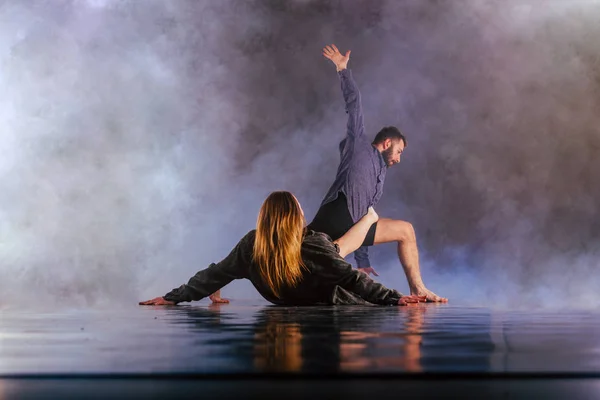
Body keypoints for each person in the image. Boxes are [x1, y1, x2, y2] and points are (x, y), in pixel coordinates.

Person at [307, 44, 447, 302]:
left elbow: (367, 216)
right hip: (334, 217)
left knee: (406, 231)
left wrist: (362, 259)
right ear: (386, 143)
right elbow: (354, 105)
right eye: (399, 151)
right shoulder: (358, 145)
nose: (399, 158)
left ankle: (418, 288)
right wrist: (343, 70)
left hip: (354, 228)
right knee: (297, 253)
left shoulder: (380, 176)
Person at [140, 191, 425, 306]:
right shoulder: (310, 244)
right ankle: (370, 217)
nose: (303, 213)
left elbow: (215, 274)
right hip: (333, 297)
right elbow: (352, 279)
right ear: (294, 217)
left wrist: (171, 298)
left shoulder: (252, 245)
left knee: (335, 249)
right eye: (300, 209)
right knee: (335, 249)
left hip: (304, 285)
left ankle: (367, 221)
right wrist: (394, 298)